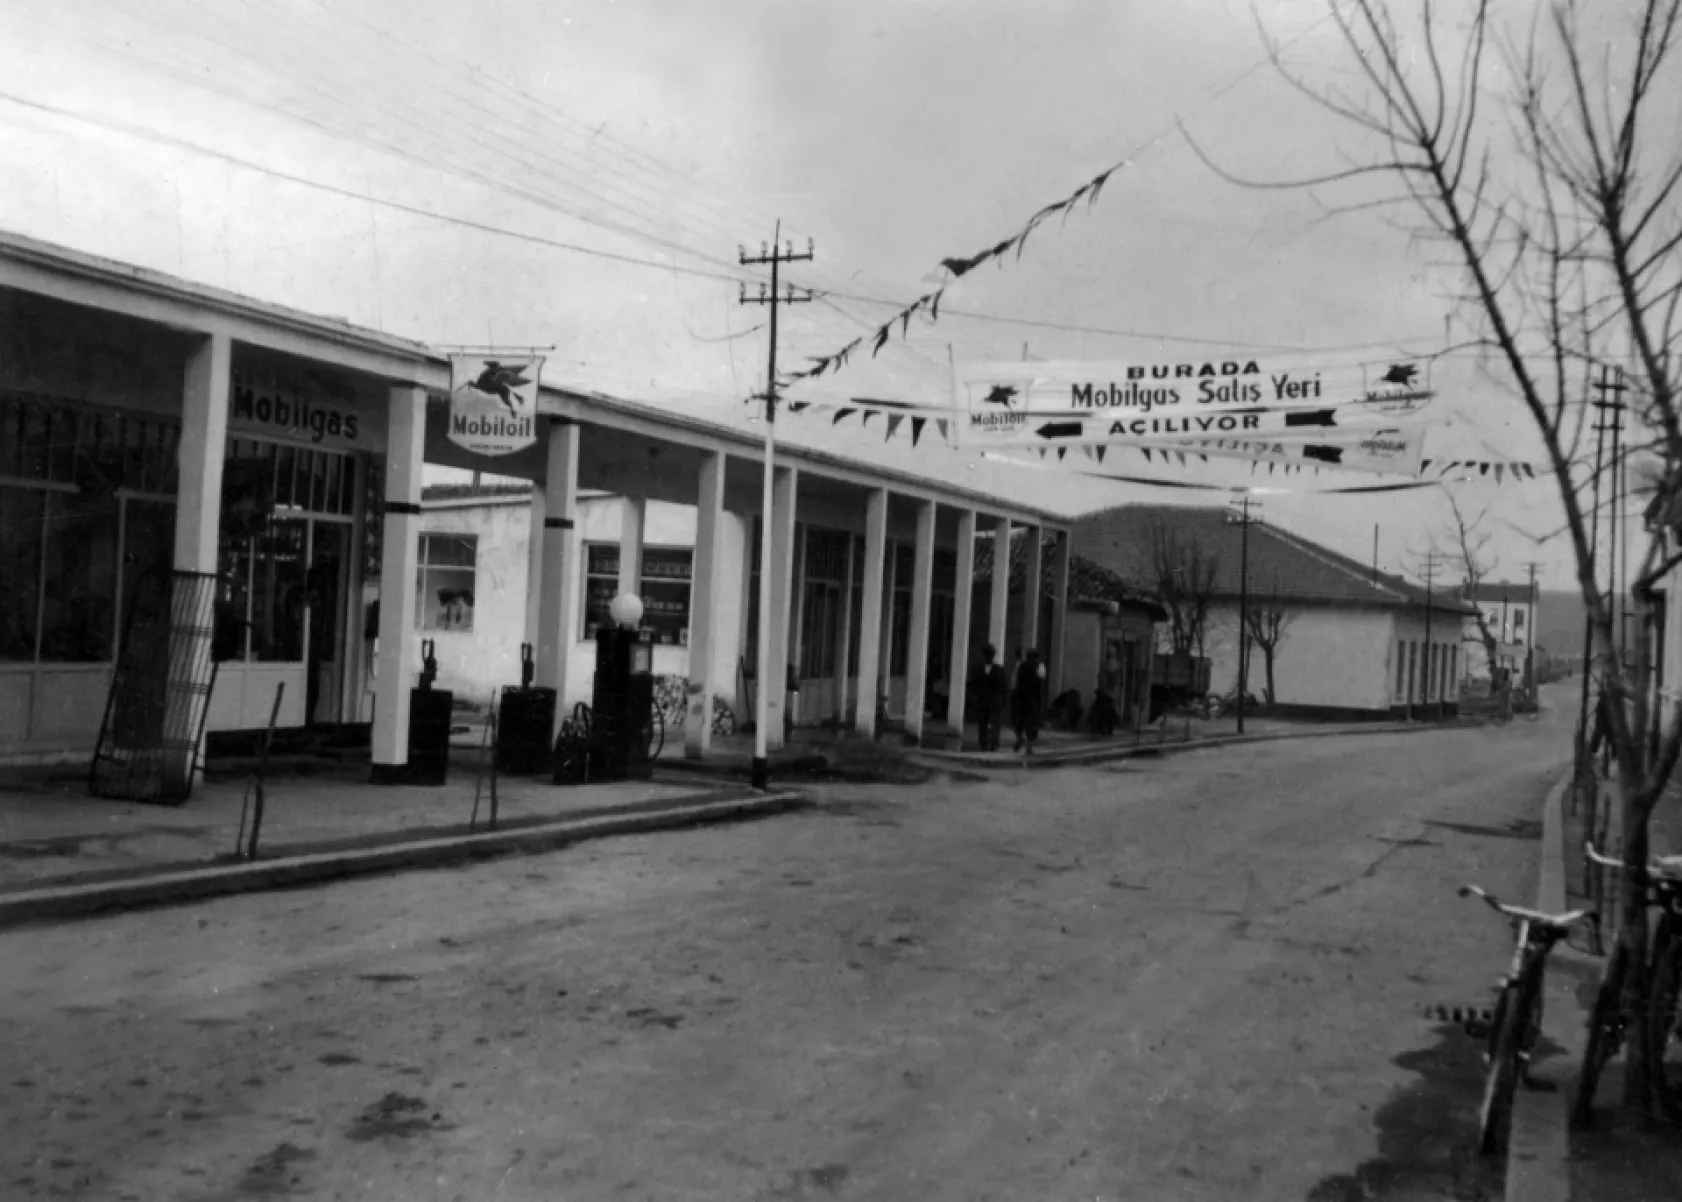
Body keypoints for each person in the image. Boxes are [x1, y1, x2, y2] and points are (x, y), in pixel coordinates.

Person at [1012, 647, 1047, 755]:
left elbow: (1015, 681)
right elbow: (1041, 680)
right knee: (1032, 724)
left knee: (1019, 722)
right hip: (1033, 698)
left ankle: (1020, 739)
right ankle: (1029, 747)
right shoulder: (1039, 666)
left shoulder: (1021, 665)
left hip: (1021, 697)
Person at [973, 643, 1006, 751]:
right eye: (988, 654)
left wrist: (1003, 701)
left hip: (995, 701)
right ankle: (984, 743)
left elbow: (1004, 687)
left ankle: (994, 743)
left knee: (996, 723)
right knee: (982, 722)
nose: (989, 657)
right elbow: (974, 684)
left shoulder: (999, 670)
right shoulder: (978, 669)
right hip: (982, 700)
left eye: (991, 655)